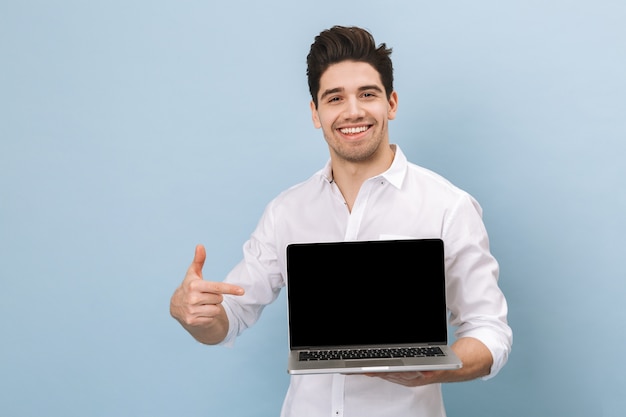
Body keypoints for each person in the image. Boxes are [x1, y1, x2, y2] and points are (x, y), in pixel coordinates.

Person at [170, 25, 512, 417]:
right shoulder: (287, 212)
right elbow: (227, 320)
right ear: (316, 113)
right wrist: (195, 315)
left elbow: (490, 331)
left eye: (368, 94)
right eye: (335, 98)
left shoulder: (448, 206)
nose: (353, 111)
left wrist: (435, 368)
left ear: (392, 103)